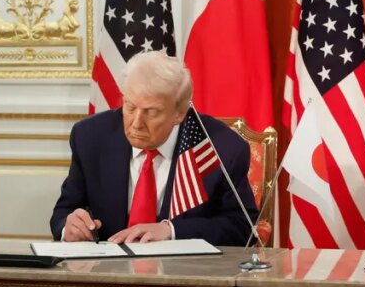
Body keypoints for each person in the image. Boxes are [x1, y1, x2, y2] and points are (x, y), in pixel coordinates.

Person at [50, 50, 258, 246]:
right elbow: (63, 212)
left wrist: (172, 231)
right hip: (106, 266)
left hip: (182, 269)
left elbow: (243, 227)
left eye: (151, 112)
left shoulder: (220, 148)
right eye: (130, 107)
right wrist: (68, 228)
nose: (136, 123)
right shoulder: (90, 136)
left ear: (179, 113)